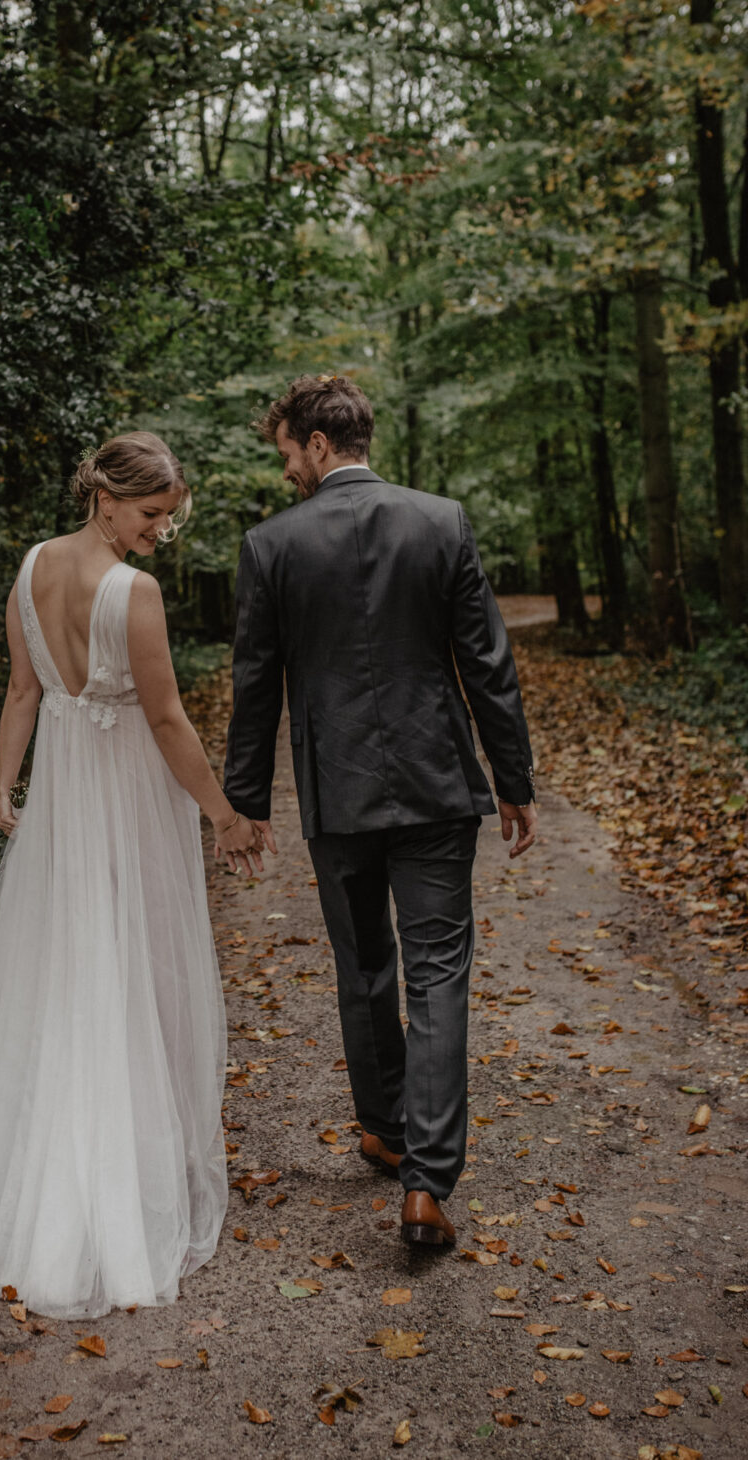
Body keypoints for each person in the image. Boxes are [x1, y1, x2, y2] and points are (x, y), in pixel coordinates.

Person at [0, 432, 263, 1318]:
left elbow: (24, 694)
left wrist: (7, 788)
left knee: (72, 973)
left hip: (63, 803)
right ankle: (108, 1191)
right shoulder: (132, 592)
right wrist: (222, 816)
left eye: (168, 520)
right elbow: (168, 721)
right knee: (130, 972)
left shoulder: (30, 567)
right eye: (152, 516)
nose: (160, 534)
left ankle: (44, 1178)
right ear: (105, 498)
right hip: (123, 807)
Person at [222, 375, 537, 1249]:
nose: (286, 468)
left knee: (364, 967)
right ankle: (428, 1183)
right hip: (436, 782)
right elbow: (487, 664)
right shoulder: (440, 522)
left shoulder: (270, 545)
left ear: (320, 445)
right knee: (438, 973)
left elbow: (255, 689)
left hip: (339, 790)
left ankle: (389, 1132)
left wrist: (245, 802)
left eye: (288, 452)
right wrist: (513, 779)